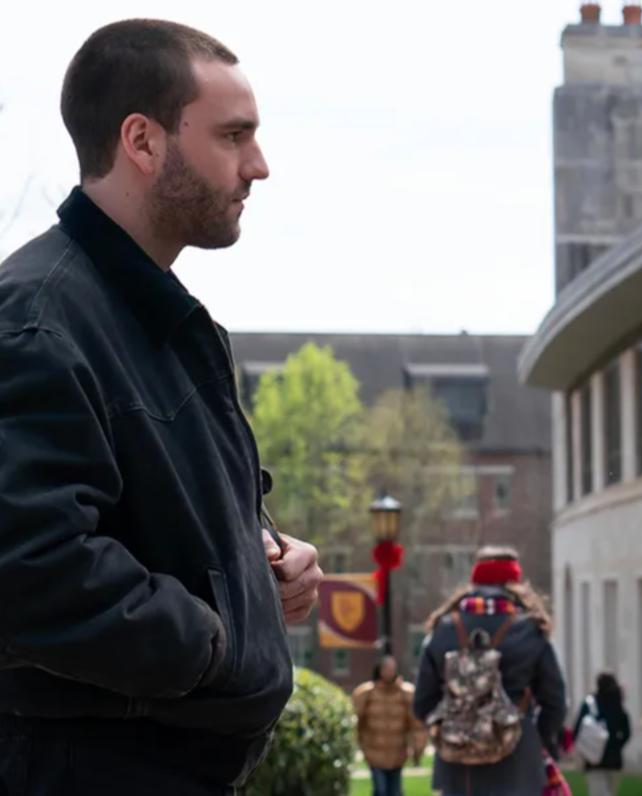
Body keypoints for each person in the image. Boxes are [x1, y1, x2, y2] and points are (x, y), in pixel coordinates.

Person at [0, 18, 322, 796]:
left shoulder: (151, 317)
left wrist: (258, 564)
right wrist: (216, 641)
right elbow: (28, 564)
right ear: (142, 142)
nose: (259, 166)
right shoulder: (40, 321)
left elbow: (147, 519)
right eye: (233, 136)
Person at [414, 546, 567, 796]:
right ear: (515, 584)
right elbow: (555, 703)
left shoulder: (442, 629)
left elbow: (422, 703)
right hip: (517, 761)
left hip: (456, 763)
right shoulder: (529, 630)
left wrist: (451, 729)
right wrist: (532, 737)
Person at [353, 656, 428, 796]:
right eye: (386, 668)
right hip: (374, 751)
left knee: (395, 791)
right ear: (379, 670)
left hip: (398, 752)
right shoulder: (367, 694)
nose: (389, 672)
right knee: (380, 790)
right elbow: (358, 721)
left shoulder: (406, 693)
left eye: (392, 668)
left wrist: (418, 750)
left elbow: (416, 724)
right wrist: (358, 742)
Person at [572, 671, 633, 796]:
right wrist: (616, 746)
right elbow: (626, 733)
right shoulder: (618, 704)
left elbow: (577, 730)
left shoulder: (590, 704)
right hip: (614, 761)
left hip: (594, 760)